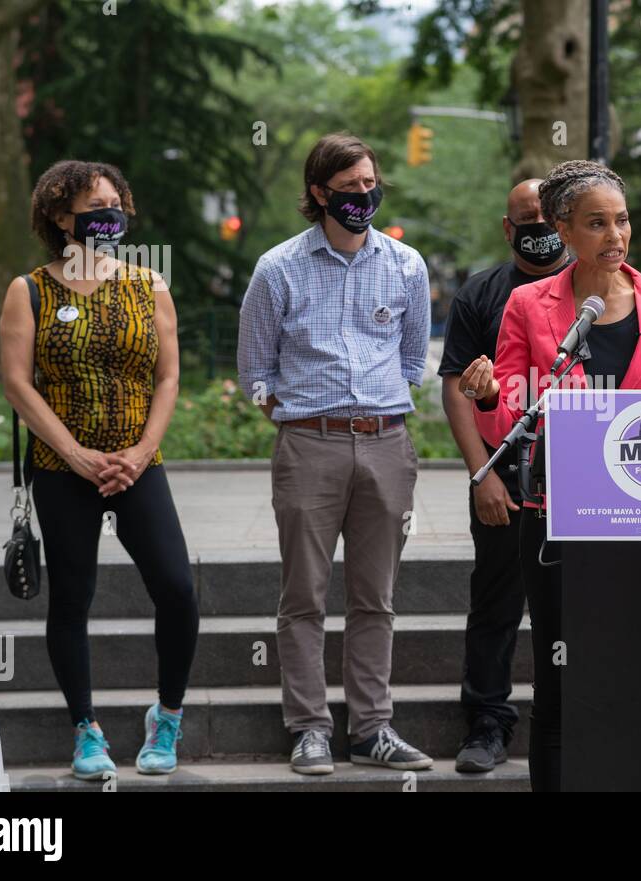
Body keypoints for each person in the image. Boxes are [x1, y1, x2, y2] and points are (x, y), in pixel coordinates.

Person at [459, 160, 641, 791]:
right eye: (597, 223)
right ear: (563, 229)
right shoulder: (526, 305)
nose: (615, 235)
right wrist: (487, 399)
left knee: (636, 671)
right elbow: (510, 418)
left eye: (621, 220)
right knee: (561, 676)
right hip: (554, 515)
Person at [237, 132, 433, 774]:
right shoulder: (278, 268)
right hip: (309, 446)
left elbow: (412, 361)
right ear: (319, 193)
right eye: (348, 189)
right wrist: (303, 422)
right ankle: (309, 728)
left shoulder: (406, 265)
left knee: (375, 596)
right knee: (304, 594)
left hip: (386, 444)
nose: (363, 197)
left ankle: (373, 727)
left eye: (371, 185)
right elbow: (254, 371)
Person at [0, 159, 198, 780]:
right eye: (93, 207)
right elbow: (17, 385)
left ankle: (166, 715)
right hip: (64, 468)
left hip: (140, 464)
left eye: (115, 204)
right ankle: (85, 729)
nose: (108, 216)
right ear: (61, 218)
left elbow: (167, 376)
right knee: (73, 597)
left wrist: (138, 453)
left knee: (177, 590)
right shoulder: (28, 289)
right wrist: (80, 456)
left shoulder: (150, 285)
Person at [438, 179, 570, 773]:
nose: (539, 227)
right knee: (495, 600)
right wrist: (480, 475)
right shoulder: (481, 296)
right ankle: (488, 721)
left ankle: (572, 715)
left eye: (549, 216)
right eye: (527, 219)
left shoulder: (600, 290)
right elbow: (457, 388)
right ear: (507, 227)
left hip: (585, 478)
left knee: (577, 605)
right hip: (507, 476)